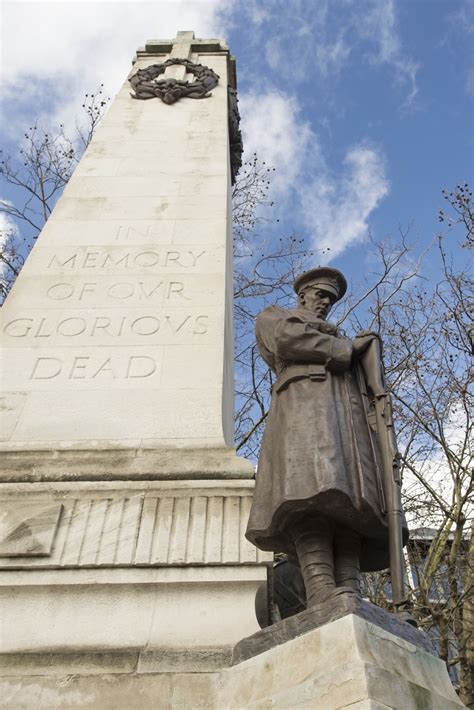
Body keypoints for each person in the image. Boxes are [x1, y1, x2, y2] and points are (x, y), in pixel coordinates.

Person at [245, 267, 407, 607]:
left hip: (347, 422)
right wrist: (348, 349)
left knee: (352, 502)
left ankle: (349, 587)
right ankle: (319, 586)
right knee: (310, 496)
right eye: (320, 295)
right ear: (302, 294)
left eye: (330, 300)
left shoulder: (337, 341)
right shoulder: (277, 316)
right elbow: (287, 341)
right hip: (304, 412)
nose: (324, 303)